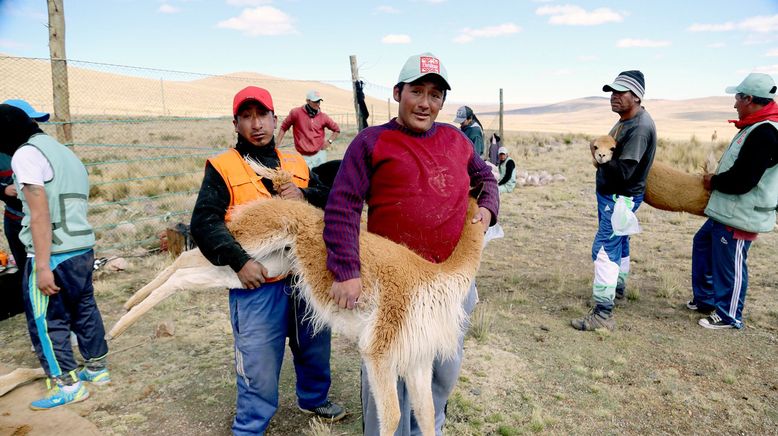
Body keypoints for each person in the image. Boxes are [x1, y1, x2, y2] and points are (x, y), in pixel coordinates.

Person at [323, 52, 499, 436]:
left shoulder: (456, 140)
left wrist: (488, 206)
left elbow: (485, 177)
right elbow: (343, 206)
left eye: (435, 95)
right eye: (416, 91)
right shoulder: (372, 142)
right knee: (388, 381)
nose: (425, 103)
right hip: (393, 286)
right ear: (398, 92)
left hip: (450, 282)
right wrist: (346, 269)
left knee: (440, 376)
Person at [189, 86, 344, 435]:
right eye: (247, 117)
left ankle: (314, 398)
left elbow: (329, 201)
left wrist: (303, 194)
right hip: (257, 285)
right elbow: (204, 221)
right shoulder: (223, 167)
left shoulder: (295, 163)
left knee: (315, 345)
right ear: (236, 122)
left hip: (305, 278)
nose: (256, 124)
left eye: (263, 116)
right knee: (258, 361)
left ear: (276, 120)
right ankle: (250, 426)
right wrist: (239, 261)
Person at [0, 104, 110, 409]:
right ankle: (97, 369)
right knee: (85, 310)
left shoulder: (25, 154)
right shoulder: (61, 151)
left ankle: (67, 384)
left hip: (54, 252)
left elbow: (39, 214)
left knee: (47, 321)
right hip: (82, 247)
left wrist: (43, 265)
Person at [688, 73, 778, 329]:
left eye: (737, 98)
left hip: (742, 212)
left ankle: (729, 315)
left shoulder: (766, 133)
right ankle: (706, 299)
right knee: (703, 243)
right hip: (728, 209)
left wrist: (712, 182)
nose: (734, 104)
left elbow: (744, 179)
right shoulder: (756, 125)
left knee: (732, 263)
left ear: (749, 99)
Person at [572, 70, 656, 332]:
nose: (614, 96)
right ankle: (616, 290)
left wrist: (597, 158)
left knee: (605, 249)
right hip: (617, 197)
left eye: (621, 92)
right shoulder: (626, 121)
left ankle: (603, 313)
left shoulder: (639, 128)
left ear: (637, 96)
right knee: (619, 242)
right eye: (612, 91)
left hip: (620, 198)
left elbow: (623, 172)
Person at [1, 100, 48, 317]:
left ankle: (58, 322)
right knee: (29, 273)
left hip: (44, 218)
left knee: (49, 270)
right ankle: (38, 321)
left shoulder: (41, 147)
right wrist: (3, 190)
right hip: (16, 219)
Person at [277, 90, 341, 169]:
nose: (318, 104)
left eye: (319, 101)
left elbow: (337, 130)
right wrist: (276, 146)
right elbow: (283, 127)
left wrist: (329, 142)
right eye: (315, 101)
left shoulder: (323, 117)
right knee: (305, 179)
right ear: (308, 101)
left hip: (319, 155)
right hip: (302, 156)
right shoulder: (296, 113)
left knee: (320, 179)